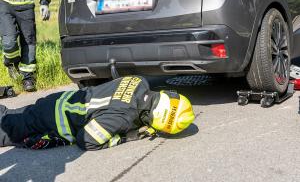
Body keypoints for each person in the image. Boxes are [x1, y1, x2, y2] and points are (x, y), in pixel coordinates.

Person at [0, 76, 195, 150]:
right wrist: (126, 136)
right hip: (52, 121)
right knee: (6, 130)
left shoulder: (139, 81)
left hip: (58, 101)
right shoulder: (123, 117)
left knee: (13, 114)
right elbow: (86, 140)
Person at [0, 0, 51, 92]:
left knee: (29, 42)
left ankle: (28, 78)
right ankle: (12, 64)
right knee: (9, 41)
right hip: (4, 3)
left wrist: (44, 3)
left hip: (27, 5)